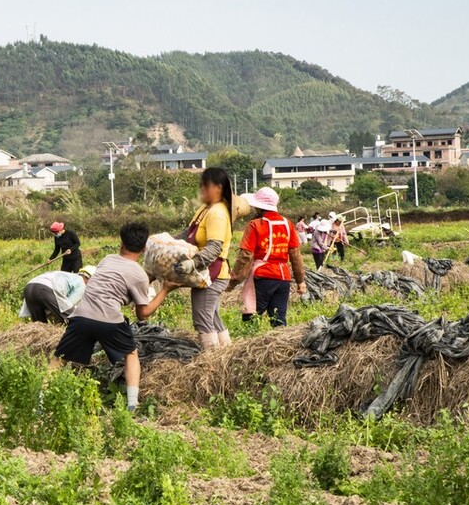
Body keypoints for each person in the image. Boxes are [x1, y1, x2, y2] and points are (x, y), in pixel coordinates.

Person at [54, 223, 178, 411]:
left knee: (59, 358)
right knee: (131, 354)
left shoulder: (107, 259)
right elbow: (142, 314)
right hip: (109, 320)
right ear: (144, 248)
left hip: (81, 315)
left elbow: (116, 280)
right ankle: (132, 404)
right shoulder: (139, 275)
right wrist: (166, 290)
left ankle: (40, 398)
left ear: (121, 243)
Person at [229, 187, 307, 327]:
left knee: (251, 317)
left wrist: (233, 280)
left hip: (263, 276)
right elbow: (295, 255)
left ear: (259, 208)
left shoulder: (256, 225)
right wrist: (301, 281)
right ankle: (281, 348)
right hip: (283, 277)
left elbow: (246, 256)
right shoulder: (287, 224)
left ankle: (250, 346)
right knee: (278, 320)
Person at [174, 167, 234, 350]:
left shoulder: (217, 213)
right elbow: (188, 234)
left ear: (218, 188)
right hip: (207, 273)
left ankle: (211, 360)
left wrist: (193, 263)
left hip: (212, 274)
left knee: (202, 318)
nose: (202, 191)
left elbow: (215, 247)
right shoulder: (205, 209)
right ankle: (226, 353)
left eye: (205, 187)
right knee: (212, 316)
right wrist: (165, 242)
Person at [20, 266, 93, 323]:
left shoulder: (68, 275)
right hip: (45, 288)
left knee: (39, 324)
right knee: (73, 318)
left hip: (29, 287)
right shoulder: (81, 283)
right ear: (88, 278)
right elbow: (67, 306)